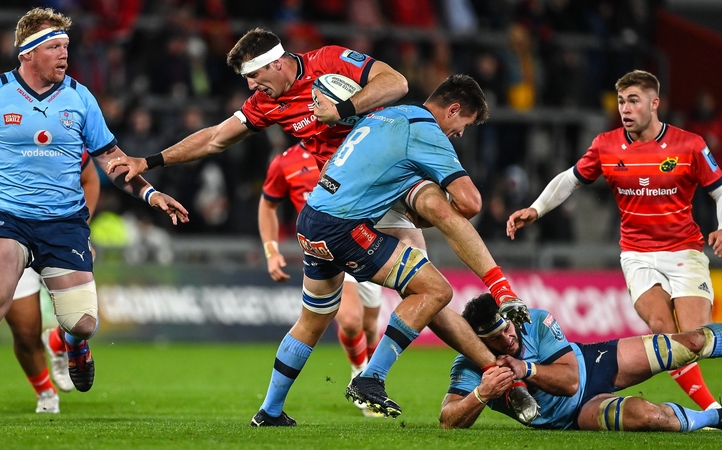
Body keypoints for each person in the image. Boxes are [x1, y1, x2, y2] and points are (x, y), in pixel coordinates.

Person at [106, 28, 533, 424]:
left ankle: (274, 410)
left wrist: (343, 108)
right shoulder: (265, 102)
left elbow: (396, 83)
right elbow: (216, 137)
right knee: (429, 287)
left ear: (277, 62)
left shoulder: (328, 60)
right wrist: (151, 160)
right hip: (341, 194)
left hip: (384, 172)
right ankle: (493, 371)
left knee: (420, 271)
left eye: (255, 76)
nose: (252, 87)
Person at [0, 7, 188, 425]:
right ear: (27, 54)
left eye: (67, 45)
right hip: (7, 217)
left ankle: (73, 345)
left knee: (82, 323)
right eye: (54, 46)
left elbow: (113, 162)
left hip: (64, 223)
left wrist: (151, 194)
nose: (65, 53)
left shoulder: (82, 98)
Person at [507, 69, 722, 411]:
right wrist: (536, 209)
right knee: (662, 331)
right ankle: (714, 410)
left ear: (655, 103)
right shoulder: (606, 145)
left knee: (695, 339)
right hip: (636, 255)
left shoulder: (690, 144)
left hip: (684, 252)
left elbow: (719, 191)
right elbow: (570, 179)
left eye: (633, 101)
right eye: (622, 101)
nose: (625, 108)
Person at [440, 293, 722, 431]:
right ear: (478, 342)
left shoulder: (533, 320)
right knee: (650, 416)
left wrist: (526, 369)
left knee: (691, 343)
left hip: (592, 363)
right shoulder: (469, 364)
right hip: (575, 415)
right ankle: (716, 417)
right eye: (495, 338)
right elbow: (448, 420)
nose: (508, 339)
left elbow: (571, 381)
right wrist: (482, 394)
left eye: (506, 328)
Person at [0, 138, 100, 413]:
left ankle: (62, 342)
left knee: (80, 320)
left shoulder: (58, 134)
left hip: (60, 237)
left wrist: (79, 232)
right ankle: (45, 392)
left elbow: (90, 178)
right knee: (26, 332)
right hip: (13, 240)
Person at [259, 142, 383, 417]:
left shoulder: (353, 144)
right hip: (328, 249)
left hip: (367, 240)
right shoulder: (285, 162)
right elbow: (267, 206)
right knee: (350, 321)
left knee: (371, 326)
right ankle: (361, 377)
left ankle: (367, 377)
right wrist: (271, 251)